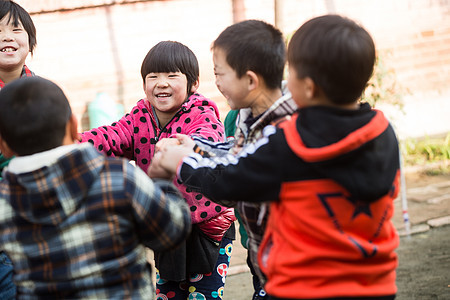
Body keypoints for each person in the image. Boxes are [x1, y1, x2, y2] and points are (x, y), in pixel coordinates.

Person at [150, 14, 401, 300]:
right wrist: (196, 149)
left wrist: (181, 162)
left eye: (290, 71)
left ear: (308, 87)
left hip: (303, 287)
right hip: (374, 285)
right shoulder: (381, 132)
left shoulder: (290, 141)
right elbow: (245, 156)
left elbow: (231, 179)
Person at [0, 76, 191, 298]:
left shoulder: (4, 207)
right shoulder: (119, 179)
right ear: (73, 125)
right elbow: (172, 231)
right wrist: (162, 182)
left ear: (3, 144)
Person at [80, 41, 235, 300]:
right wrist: (70, 143)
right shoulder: (140, 116)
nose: (161, 83)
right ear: (144, 85)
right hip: (166, 226)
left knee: (204, 297)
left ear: (193, 84)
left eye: (172, 75)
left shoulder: (202, 113)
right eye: (153, 77)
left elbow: (209, 138)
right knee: (168, 295)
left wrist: (183, 147)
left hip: (208, 227)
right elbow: (111, 136)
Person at [206, 19, 298, 300]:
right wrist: (196, 151)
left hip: (293, 259)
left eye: (220, 74)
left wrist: (186, 162)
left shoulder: (290, 126)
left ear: (250, 80)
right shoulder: (239, 117)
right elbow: (233, 166)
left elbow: (236, 182)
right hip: (258, 249)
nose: (217, 82)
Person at [0, 1, 37, 298]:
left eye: (16, 29)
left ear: (31, 44)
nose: (7, 36)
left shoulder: (43, 91)